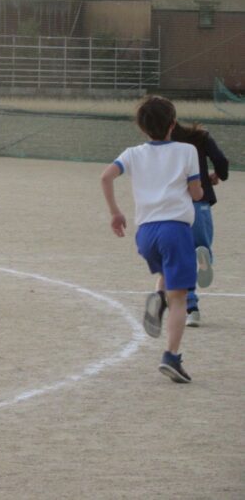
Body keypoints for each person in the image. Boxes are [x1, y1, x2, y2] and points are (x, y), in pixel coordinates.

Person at [100, 95, 203, 383]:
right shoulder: (187, 150)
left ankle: (158, 297)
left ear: (142, 128)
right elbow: (196, 194)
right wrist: (198, 190)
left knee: (165, 273)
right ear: (173, 124)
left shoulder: (133, 153)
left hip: (146, 233)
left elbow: (105, 177)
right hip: (175, 229)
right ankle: (171, 356)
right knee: (180, 298)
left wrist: (115, 213)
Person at [170, 121, 229, 327]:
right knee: (201, 247)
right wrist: (217, 175)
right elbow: (221, 160)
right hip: (200, 200)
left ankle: (192, 308)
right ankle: (204, 255)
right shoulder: (201, 137)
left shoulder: (165, 141)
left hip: (176, 203)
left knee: (182, 256)